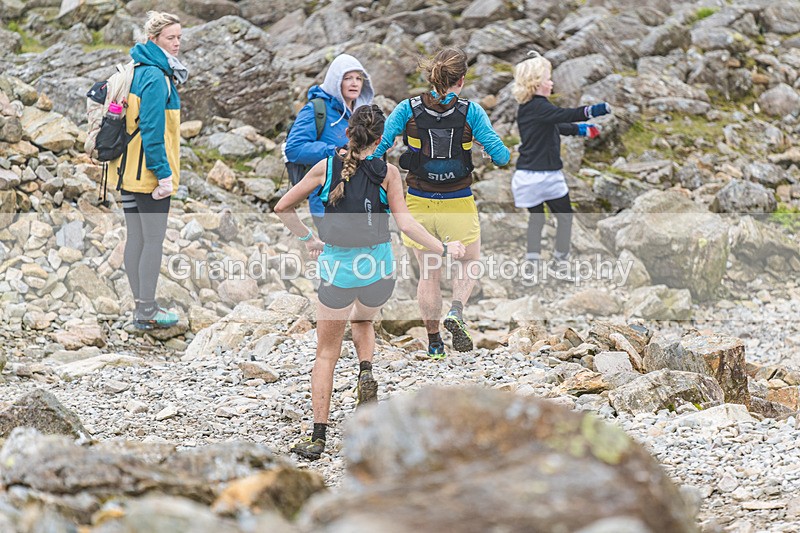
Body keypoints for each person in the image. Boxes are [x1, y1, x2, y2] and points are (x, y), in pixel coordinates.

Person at [275, 105, 466, 461]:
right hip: (379, 275)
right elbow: (406, 224)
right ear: (381, 142)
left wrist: (308, 240)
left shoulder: (325, 168)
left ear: (348, 134)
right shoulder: (389, 173)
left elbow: (283, 207)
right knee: (363, 320)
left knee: (326, 353)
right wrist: (443, 247)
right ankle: (365, 370)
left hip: (338, 274)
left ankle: (318, 437)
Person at [372, 47, 510, 359]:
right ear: (461, 80)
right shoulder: (471, 112)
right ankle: (456, 311)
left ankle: (434, 343)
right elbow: (502, 156)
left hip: (418, 202)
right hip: (458, 201)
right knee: (469, 261)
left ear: (432, 76)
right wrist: (479, 144)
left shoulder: (407, 109)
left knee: (429, 273)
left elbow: (379, 148)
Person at [108, 11, 188, 330]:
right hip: (148, 175)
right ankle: (147, 311)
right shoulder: (156, 76)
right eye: (170, 38)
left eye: (179, 37)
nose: (177, 43)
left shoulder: (138, 68)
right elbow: (153, 130)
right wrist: (164, 175)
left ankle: (141, 308)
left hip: (127, 170)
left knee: (136, 238)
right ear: (154, 39)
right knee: (152, 241)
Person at [512, 51, 611, 271]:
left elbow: (556, 125)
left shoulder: (528, 108)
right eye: (548, 79)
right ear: (536, 82)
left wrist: (581, 130)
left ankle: (532, 261)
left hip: (526, 176)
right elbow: (565, 115)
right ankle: (560, 260)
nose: (552, 83)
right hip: (547, 176)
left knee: (537, 218)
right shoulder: (540, 106)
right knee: (564, 216)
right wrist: (594, 111)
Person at [283, 54, 374, 228]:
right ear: (335, 80)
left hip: (361, 200)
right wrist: (335, 151)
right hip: (326, 202)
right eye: (348, 78)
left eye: (358, 78)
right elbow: (294, 149)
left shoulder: (363, 113)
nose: (354, 83)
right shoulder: (316, 110)